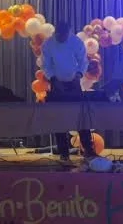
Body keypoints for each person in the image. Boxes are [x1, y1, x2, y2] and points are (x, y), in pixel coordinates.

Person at [41, 20, 95, 163]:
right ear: (56, 32)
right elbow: (46, 65)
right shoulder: (48, 44)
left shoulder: (76, 42)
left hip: (74, 82)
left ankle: (89, 150)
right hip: (56, 83)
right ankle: (64, 153)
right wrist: (53, 78)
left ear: (68, 32)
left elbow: (83, 61)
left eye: (64, 35)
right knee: (59, 119)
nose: (62, 37)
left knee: (81, 117)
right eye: (59, 35)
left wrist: (78, 75)